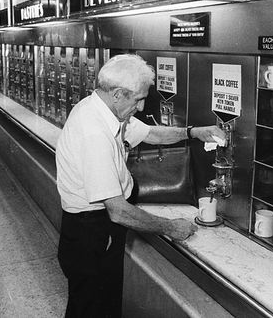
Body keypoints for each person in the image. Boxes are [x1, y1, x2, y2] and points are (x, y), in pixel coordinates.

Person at [56, 54, 226, 318]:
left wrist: (193, 132)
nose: (142, 105)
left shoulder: (104, 110)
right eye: (138, 99)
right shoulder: (94, 133)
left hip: (97, 230)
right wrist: (170, 227)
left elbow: (150, 133)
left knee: (99, 303)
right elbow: (118, 211)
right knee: (93, 307)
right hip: (92, 233)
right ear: (118, 94)